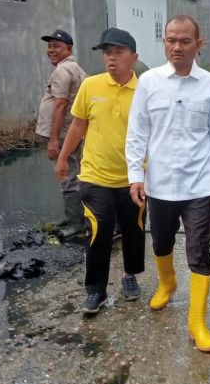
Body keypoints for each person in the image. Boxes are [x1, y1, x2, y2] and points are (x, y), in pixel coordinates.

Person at [126, 15, 210, 353]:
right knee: (160, 242)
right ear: (164, 43)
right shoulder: (149, 81)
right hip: (159, 183)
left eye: (184, 41)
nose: (177, 46)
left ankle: (197, 321)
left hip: (200, 183)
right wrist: (136, 175)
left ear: (198, 44)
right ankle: (167, 283)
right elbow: (137, 131)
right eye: (171, 40)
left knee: (199, 250)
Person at [55, 28, 146, 315]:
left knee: (134, 230)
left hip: (134, 178)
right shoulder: (90, 86)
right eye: (107, 53)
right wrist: (62, 157)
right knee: (97, 230)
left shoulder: (146, 90)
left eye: (118, 52)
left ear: (134, 57)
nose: (111, 58)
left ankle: (130, 275)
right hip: (95, 175)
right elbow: (79, 125)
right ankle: (96, 290)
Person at [35, 29, 88, 238]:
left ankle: (77, 224)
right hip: (72, 131)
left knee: (67, 175)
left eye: (56, 46)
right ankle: (72, 217)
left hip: (65, 133)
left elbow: (60, 105)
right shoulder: (75, 68)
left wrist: (54, 140)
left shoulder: (62, 71)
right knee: (72, 174)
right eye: (49, 46)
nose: (51, 50)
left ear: (69, 48)